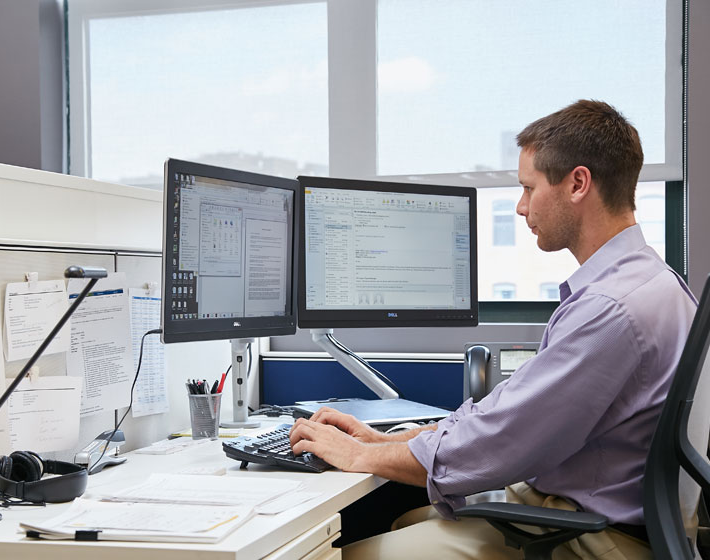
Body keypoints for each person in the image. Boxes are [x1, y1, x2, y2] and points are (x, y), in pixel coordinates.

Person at [289, 100, 697, 559]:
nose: (521, 207)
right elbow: (507, 413)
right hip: (593, 514)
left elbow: (501, 441)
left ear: (578, 183)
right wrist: (383, 440)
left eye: (528, 188)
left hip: (589, 539)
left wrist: (360, 456)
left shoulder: (609, 309)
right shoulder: (650, 282)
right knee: (405, 520)